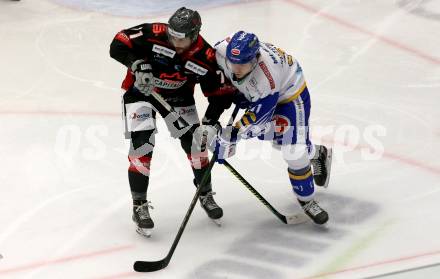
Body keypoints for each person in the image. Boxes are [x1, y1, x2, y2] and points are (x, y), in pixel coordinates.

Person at [109, 7, 233, 236]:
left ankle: (204, 193)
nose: (174, 40)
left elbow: (220, 95)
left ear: (194, 35)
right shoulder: (155, 32)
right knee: (141, 146)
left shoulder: (206, 57)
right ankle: (139, 206)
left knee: (197, 146)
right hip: (140, 93)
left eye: (180, 38)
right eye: (172, 35)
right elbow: (118, 43)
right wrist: (136, 63)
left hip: (178, 98)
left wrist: (208, 123)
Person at [212, 31, 332, 225]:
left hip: (290, 94)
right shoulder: (221, 50)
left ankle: (307, 200)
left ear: (255, 58)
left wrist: (232, 135)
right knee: (278, 141)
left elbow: (257, 121)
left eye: (242, 64)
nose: (236, 68)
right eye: (233, 62)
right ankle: (317, 153)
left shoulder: (266, 79)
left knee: (294, 150)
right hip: (261, 93)